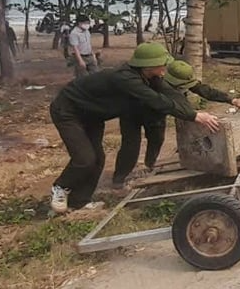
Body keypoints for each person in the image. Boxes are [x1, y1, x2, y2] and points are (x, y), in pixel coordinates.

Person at [49, 42, 222, 214]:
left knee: (98, 159)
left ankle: (80, 202)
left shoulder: (150, 77)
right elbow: (155, 100)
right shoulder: (126, 78)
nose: (164, 69)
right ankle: (60, 187)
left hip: (92, 115)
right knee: (85, 158)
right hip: (68, 111)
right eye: (162, 64)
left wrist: (192, 113)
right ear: (148, 65)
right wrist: (195, 116)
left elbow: (171, 95)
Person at [112, 60, 240, 188]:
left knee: (157, 139)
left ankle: (149, 165)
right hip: (132, 112)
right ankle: (118, 180)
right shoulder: (157, 84)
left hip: (158, 114)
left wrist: (231, 100)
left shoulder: (180, 76)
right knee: (130, 144)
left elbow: (204, 90)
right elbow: (175, 105)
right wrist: (195, 115)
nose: (186, 88)